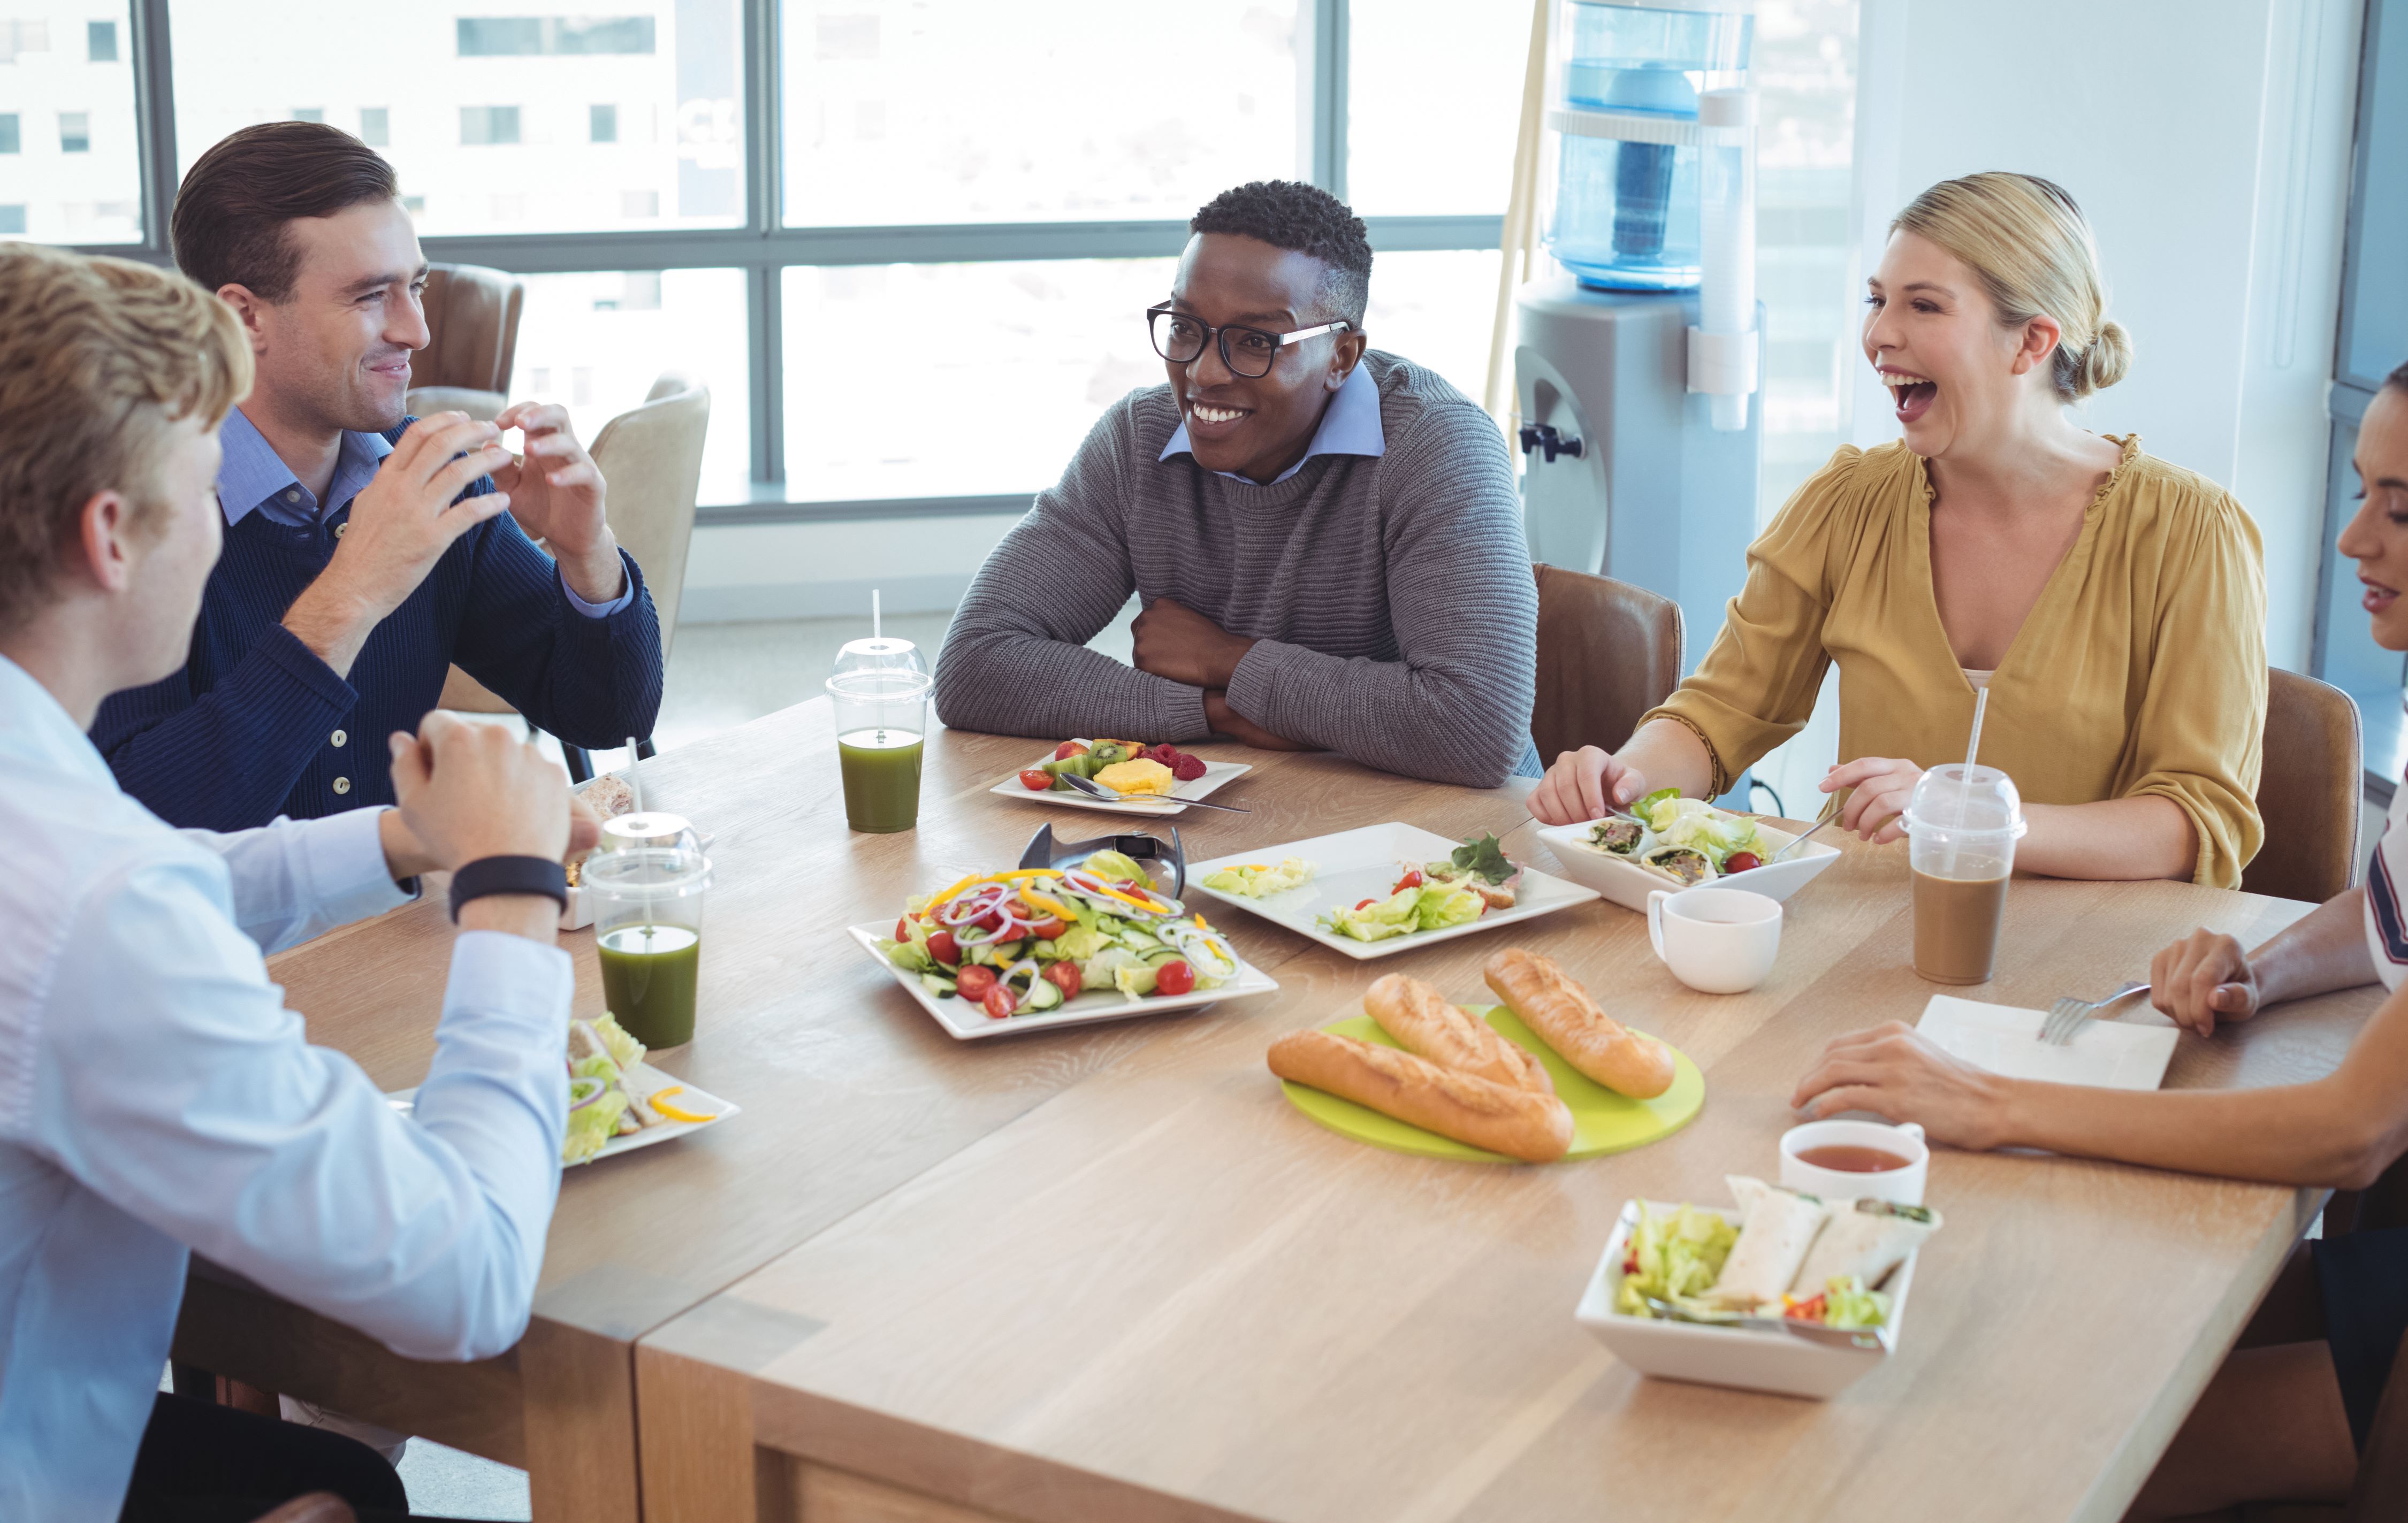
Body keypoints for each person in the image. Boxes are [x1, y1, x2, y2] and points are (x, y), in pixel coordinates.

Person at [0, 242, 589, 1521]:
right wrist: (506, 889)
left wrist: (396, 839)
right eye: (207, 484)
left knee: (320, 1479)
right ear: (111, 534)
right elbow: (468, 1280)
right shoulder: (96, 909)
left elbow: (117, 886)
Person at [1789, 362, 2408, 1517]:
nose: (2352, 537)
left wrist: (1995, 1104)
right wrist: (2259, 968)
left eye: (2401, 508)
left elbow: (2353, 1132)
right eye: (2364, 490)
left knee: (2037, 1458)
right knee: (2010, 1346)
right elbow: (2389, 906)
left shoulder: (2186, 528)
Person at [1527, 172, 2267, 886]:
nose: (1879, 334)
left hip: (2080, 959)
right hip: (1862, 931)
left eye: (1924, 307)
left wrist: (1964, 818)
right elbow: (1719, 715)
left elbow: (2195, 823)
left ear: (2032, 342)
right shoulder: (1847, 503)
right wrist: (1623, 780)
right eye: (1878, 300)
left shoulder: (2193, 533)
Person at [92, 120, 665, 833]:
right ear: (243, 318)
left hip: (396, 929)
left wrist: (589, 554)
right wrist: (352, 591)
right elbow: (139, 828)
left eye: (415, 287)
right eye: (371, 297)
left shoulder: (428, 471)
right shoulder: (120, 520)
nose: (417, 330)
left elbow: (607, 717)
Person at [932, 179, 1540, 787]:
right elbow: (974, 665)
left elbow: (1476, 727)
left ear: (1342, 357)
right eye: (1186, 328)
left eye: (1256, 342)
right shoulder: (1138, 440)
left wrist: (1227, 658)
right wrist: (1214, 710)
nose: (1204, 372)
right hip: (1242, 810)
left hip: (1448, 845)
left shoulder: (1439, 447)